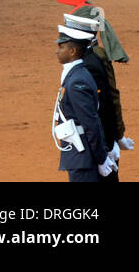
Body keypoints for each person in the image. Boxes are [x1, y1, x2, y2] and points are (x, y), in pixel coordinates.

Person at [53, 22, 114, 182]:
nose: (57, 51)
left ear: (72, 51)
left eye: (61, 47)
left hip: (83, 157)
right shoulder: (77, 74)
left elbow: (91, 122)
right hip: (82, 154)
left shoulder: (76, 81)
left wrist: (101, 158)